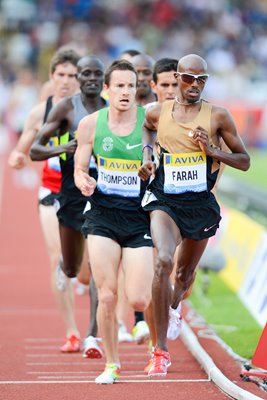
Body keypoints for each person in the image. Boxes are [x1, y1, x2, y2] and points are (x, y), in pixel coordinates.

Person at [138, 53, 250, 377]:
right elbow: (147, 129)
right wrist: (148, 155)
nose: (195, 86)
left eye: (202, 80)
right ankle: (160, 351)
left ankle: (174, 307)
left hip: (200, 204)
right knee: (162, 261)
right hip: (164, 201)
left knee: (184, 278)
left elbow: (243, 160)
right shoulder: (158, 112)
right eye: (189, 78)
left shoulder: (218, 116)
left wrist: (211, 150)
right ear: (177, 77)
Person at [74, 60, 154, 384]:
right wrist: (83, 180)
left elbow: (163, 153)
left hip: (138, 216)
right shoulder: (91, 124)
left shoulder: (149, 122)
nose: (124, 92)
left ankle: (151, 333)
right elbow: (80, 166)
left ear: (137, 90)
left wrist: (152, 169)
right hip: (102, 213)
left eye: (130, 86)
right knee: (107, 295)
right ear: (106, 90)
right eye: (118, 86)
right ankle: (112, 363)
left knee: (138, 298)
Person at [30, 54, 107, 358]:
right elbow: (36, 148)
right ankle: (66, 267)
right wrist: (65, 147)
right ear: (78, 78)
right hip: (70, 196)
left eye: (96, 74)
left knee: (99, 269)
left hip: (103, 196)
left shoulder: (111, 109)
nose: (90, 78)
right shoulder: (66, 108)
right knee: (74, 268)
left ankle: (91, 335)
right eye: (84, 73)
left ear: (104, 79)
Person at [8, 48, 83, 352]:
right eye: (60, 75)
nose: (65, 81)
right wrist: (16, 156)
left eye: (71, 76)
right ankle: (72, 332)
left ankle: (98, 323)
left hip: (85, 193)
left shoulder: (93, 112)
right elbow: (24, 146)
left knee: (86, 270)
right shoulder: (40, 112)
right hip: (51, 191)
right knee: (58, 259)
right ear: (52, 77)